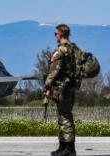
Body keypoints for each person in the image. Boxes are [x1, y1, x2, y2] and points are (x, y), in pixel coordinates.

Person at [45, 24, 77, 156]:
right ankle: (63, 147)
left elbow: (54, 72)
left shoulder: (61, 51)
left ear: (60, 34)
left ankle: (69, 149)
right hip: (71, 87)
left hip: (62, 88)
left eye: (55, 34)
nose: (55, 36)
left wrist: (47, 86)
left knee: (64, 117)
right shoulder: (73, 49)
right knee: (63, 116)